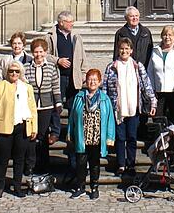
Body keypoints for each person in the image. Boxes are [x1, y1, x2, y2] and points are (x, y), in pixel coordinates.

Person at [104, 37, 157, 176]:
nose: (124, 51)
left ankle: (131, 164)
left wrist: (153, 101)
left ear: (131, 51)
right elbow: (105, 88)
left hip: (133, 107)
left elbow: (147, 85)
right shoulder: (111, 67)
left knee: (132, 137)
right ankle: (121, 164)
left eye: (127, 49)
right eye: (122, 49)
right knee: (120, 138)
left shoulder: (137, 66)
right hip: (118, 109)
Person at [44, 10, 86, 180]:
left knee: (73, 105)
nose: (72, 24)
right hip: (57, 76)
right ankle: (54, 131)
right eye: (69, 21)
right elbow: (44, 54)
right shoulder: (51, 36)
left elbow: (82, 56)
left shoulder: (76, 36)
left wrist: (83, 73)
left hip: (73, 77)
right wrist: (58, 60)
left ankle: (71, 131)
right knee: (56, 105)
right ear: (61, 22)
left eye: (72, 21)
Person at [0, 60, 37, 200]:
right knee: (2, 160)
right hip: (4, 128)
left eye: (17, 71)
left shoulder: (27, 87)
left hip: (23, 127)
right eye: (11, 71)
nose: (14, 74)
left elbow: (32, 108)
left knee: (20, 159)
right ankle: (0, 188)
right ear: (6, 72)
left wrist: (34, 127)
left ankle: (17, 186)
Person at [68, 69, 116, 200]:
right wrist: (70, 133)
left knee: (95, 163)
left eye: (95, 80)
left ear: (99, 82)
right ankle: (80, 187)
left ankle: (94, 187)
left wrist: (110, 137)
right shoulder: (79, 97)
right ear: (86, 81)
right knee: (81, 162)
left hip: (97, 136)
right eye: (90, 79)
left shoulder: (105, 99)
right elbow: (72, 116)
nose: (92, 82)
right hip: (82, 134)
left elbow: (110, 119)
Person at [24, 38, 62, 174]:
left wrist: (58, 103)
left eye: (41, 52)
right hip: (32, 106)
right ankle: (30, 164)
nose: (38, 55)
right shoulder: (26, 67)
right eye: (35, 52)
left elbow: (55, 87)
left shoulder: (51, 67)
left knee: (43, 136)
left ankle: (44, 165)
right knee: (31, 136)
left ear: (45, 52)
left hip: (46, 106)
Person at [147, 25, 174, 126]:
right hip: (159, 92)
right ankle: (160, 140)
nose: (167, 37)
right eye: (165, 35)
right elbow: (150, 72)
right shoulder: (155, 50)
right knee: (158, 119)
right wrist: (152, 90)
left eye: (170, 35)